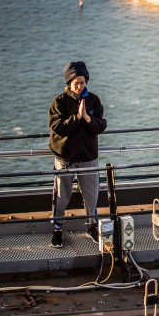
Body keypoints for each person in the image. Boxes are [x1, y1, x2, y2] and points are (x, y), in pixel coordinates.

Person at [48, 61, 107, 248]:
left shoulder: (94, 101)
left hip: (88, 158)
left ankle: (91, 227)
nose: (80, 86)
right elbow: (57, 127)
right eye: (76, 83)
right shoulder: (59, 102)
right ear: (69, 83)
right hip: (65, 158)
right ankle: (57, 230)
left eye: (83, 82)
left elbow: (101, 125)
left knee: (91, 196)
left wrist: (88, 118)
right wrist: (76, 117)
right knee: (61, 196)